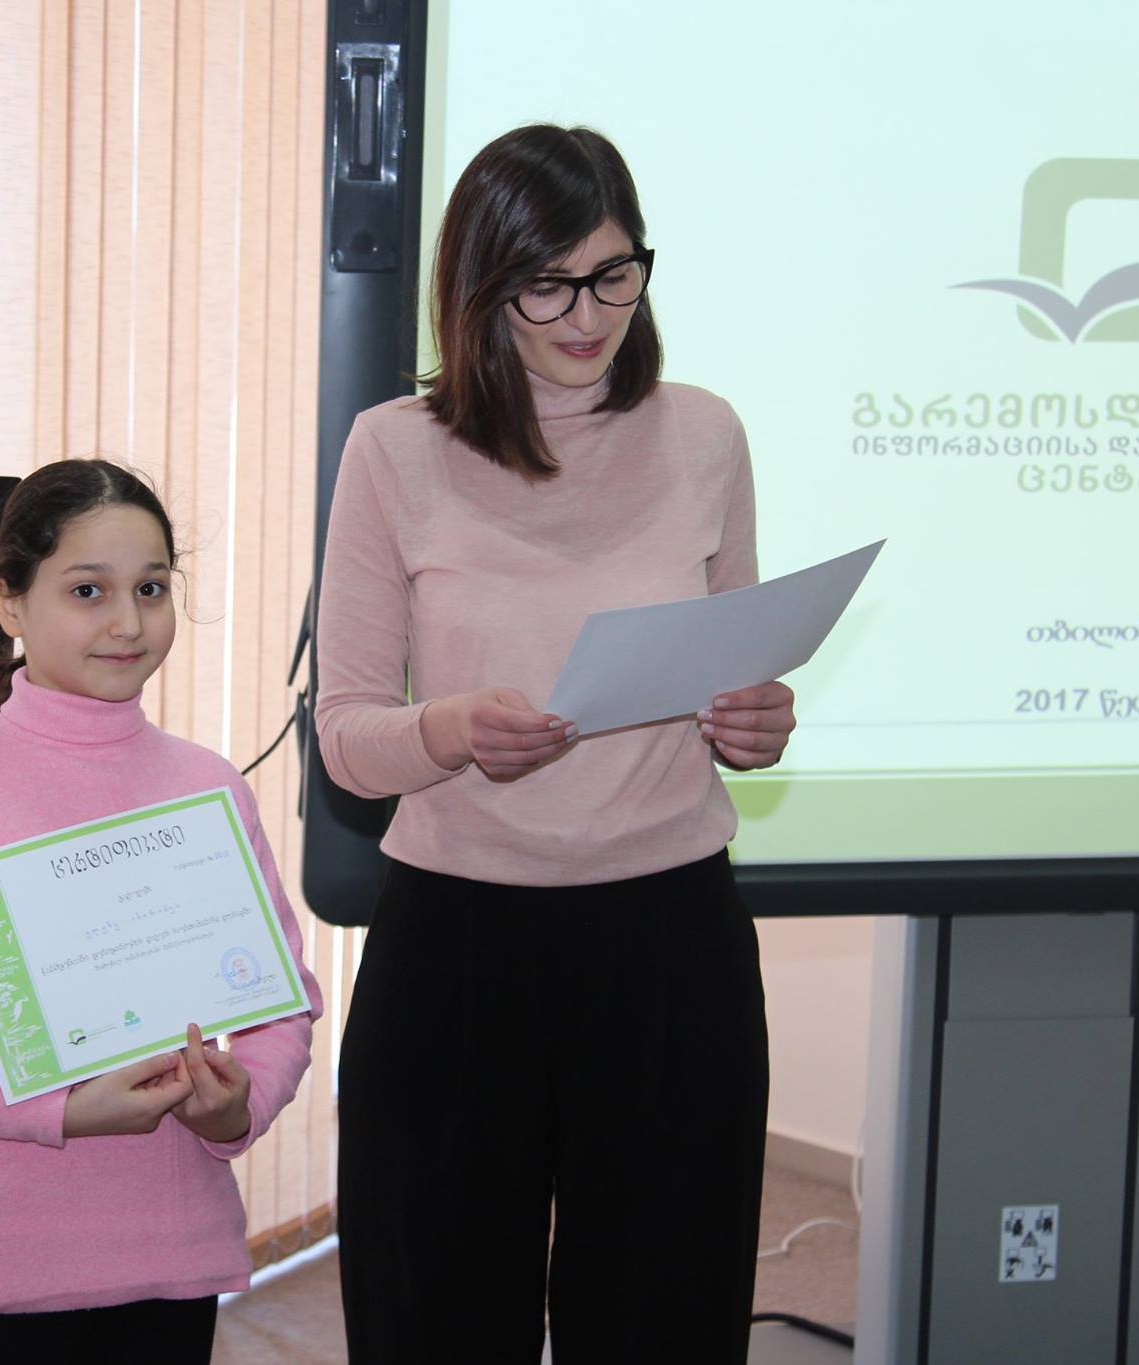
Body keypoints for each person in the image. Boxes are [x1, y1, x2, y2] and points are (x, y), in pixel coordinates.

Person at [315, 124, 796, 1363]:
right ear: (479, 287)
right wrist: (449, 730)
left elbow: (736, 674)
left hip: (666, 943)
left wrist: (756, 722)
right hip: (457, 949)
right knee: (435, 1318)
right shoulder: (394, 448)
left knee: (662, 1318)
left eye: (613, 275)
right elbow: (347, 738)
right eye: (547, 285)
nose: (588, 317)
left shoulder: (703, 434)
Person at [0, 459, 322, 1365]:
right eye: (89, 590)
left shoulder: (206, 788)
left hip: (172, 1264)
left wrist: (234, 1110)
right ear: (10, 602)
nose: (128, 622)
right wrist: (58, 1112)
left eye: (151, 588)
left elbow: (283, 1004)